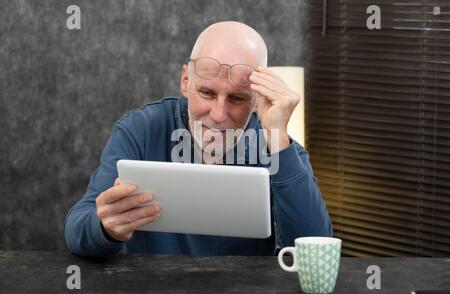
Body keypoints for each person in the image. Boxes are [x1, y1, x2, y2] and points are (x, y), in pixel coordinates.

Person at [64, 21, 332, 258]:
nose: (217, 114)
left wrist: (278, 138)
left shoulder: (276, 143)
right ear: (185, 81)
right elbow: (77, 230)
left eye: (237, 98)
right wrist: (105, 228)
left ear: (255, 100)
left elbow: (317, 246)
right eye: (206, 92)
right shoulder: (141, 130)